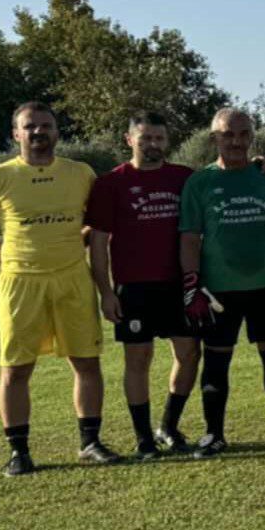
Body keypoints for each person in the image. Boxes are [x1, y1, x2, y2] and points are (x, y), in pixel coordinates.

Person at [0, 102, 117, 475]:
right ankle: (19, 452)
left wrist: (75, 242)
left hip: (73, 280)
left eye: (46, 125)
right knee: (16, 368)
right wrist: (7, 262)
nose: (38, 132)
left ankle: (90, 442)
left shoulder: (80, 173)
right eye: (30, 126)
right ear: (16, 133)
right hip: (21, 284)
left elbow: (96, 223)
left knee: (86, 361)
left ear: (57, 132)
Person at [178, 107, 265, 458]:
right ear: (214, 138)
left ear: (252, 137)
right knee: (216, 360)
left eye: (243, 134)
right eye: (228, 134)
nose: (236, 141)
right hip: (219, 289)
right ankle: (213, 434)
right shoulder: (200, 182)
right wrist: (191, 285)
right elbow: (189, 237)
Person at [85, 111, 198, 459]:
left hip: (178, 285)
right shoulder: (110, 183)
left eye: (159, 138)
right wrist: (106, 292)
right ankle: (144, 438)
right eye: (145, 137)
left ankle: (168, 426)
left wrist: (258, 165)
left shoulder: (185, 178)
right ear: (129, 139)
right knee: (138, 359)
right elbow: (98, 243)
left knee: (189, 354)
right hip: (134, 287)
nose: (153, 144)